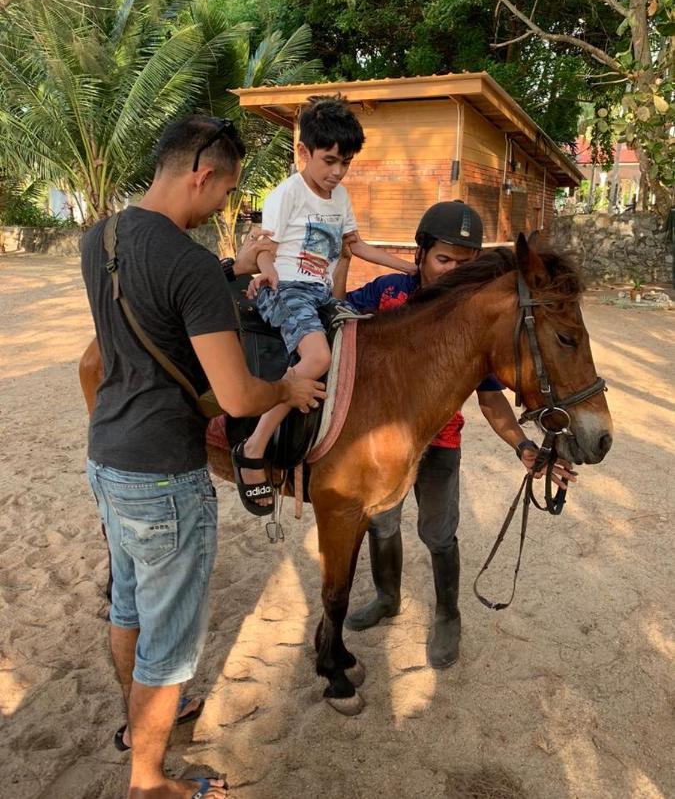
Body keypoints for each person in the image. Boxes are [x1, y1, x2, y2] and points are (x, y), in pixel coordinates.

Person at [81, 115, 326, 799]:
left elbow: (146, 294)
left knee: (128, 604)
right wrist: (287, 384)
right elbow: (238, 396)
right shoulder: (188, 265)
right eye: (227, 191)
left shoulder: (98, 237)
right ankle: (149, 780)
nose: (227, 205)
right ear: (201, 174)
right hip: (164, 473)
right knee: (170, 639)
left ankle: (142, 727)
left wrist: (228, 270)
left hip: (107, 456)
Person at [337, 200, 576, 669]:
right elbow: (337, 318)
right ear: (421, 253)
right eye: (444, 259)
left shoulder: (471, 320)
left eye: (464, 264)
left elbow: (491, 399)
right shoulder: (388, 293)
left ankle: (448, 615)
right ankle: (388, 597)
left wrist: (524, 446)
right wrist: (342, 261)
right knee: (381, 523)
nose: (451, 271)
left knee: (439, 532)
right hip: (381, 445)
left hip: (439, 444)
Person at [232, 95, 416, 512]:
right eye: (329, 160)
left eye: (345, 162)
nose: (337, 172)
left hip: (318, 293)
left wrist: (409, 268)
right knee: (315, 358)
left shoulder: (341, 198)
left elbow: (357, 246)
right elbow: (265, 247)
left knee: (365, 343)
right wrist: (269, 270)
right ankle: (255, 446)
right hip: (287, 289)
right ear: (303, 152)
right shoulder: (288, 194)